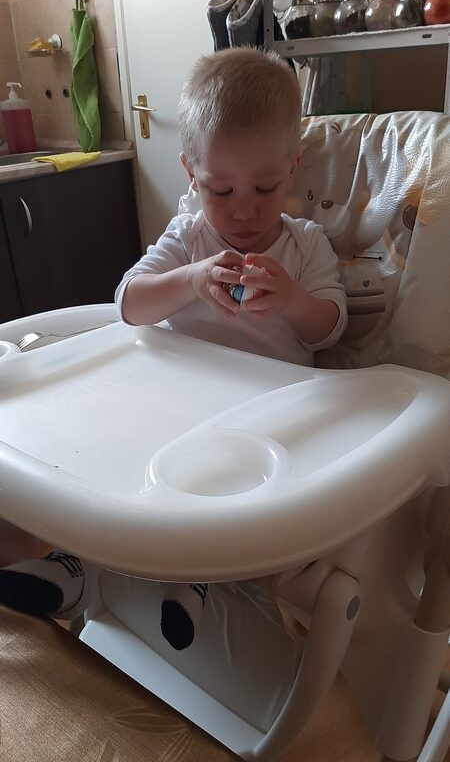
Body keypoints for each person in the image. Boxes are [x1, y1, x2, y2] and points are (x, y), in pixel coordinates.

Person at [0, 47, 347, 651]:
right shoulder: (188, 238)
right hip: (174, 406)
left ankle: (192, 580)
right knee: (99, 462)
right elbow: (129, 302)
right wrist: (190, 279)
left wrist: (293, 301)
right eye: (221, 189)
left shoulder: (306, 245)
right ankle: (68, 565)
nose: (244, 208)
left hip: (266, 417)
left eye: (265, 186)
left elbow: (331, 329)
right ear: (190, 173)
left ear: (293, 166)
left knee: (224, 497)